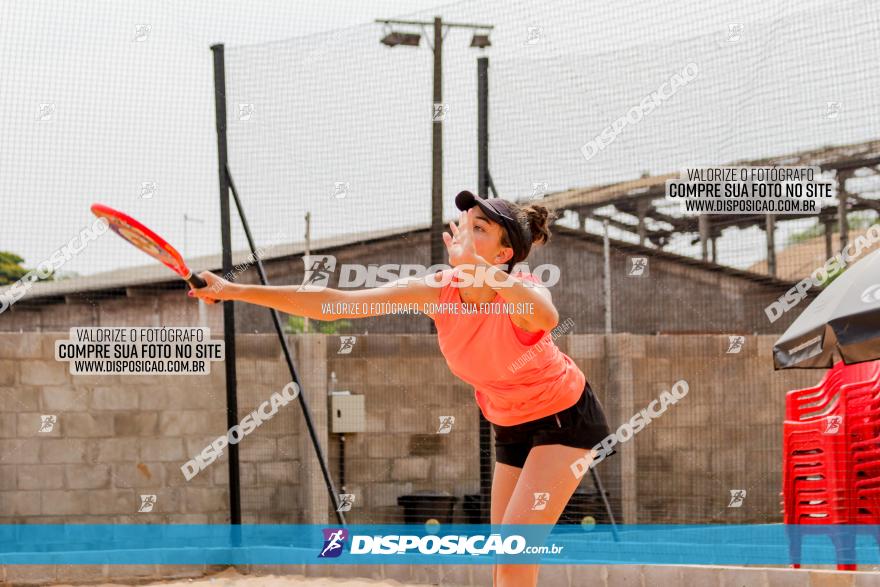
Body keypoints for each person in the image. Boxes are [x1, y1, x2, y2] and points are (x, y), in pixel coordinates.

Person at [188, 190, 611, 587]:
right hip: (510, 424)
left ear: (503, 254)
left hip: (565, 420)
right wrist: (233, 289)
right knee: (504, 558)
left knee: (517, 556)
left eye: (480, 228)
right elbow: (337, 304)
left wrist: (486, 273)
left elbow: (546, 316)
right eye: (467, 222)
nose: (465, 230)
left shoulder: (519, 292)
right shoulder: (439, 290)